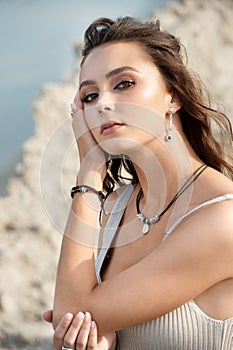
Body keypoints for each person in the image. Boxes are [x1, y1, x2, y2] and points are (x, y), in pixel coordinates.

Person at [43, 16, 233, 349]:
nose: (103, 103)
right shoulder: (114, 208)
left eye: (124, 83)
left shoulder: (222, 220)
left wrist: (89, 172)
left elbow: (70, 312)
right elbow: (72, 326)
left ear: (172, 97)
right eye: (89, 96)